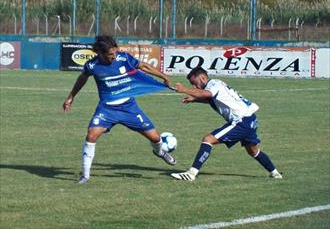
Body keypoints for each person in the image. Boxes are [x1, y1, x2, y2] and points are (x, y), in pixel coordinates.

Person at [63, 35, 176, 184]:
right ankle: (85, 176)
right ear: (101, 54)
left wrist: (164, 77)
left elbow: (144, 66)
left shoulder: (124, 58)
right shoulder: (92, 65)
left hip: (129, 107)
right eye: (110, 55)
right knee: (91, 135)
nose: (114, 57)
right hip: (107, 109)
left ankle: (160, 151)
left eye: (115, 53)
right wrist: (71, 97)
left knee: (155, 138)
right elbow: (82, 79)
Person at [171, 67, 282, 181]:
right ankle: (276, 174)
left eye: (194, 83)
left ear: (202, 77)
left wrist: (184, 89)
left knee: (208, 139)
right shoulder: (216, 83)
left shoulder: (213, 85)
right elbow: (212, 98)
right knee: (253, 151)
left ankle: (191, 173)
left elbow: (207, 94)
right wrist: (194, 99)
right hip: (250, 119)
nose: (195, 87)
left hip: (241, 121)